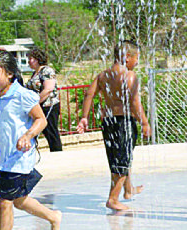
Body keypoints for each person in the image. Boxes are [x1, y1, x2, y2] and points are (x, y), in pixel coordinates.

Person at [0, 49, 62, 230]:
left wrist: (28, 135)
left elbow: (41, 120)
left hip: (19, 156)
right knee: (19, 201)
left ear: (9, 73)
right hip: (4, 157)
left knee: (4, 201)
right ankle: (53, 217)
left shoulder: (22, 95)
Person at [76, 40, 151, 211]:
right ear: (127, 57)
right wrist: (145, 123)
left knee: (119, 157)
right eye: (137, 57)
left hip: (108, 122)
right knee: (123, 160)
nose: (137, 62)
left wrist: (84, 117)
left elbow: (89, 95)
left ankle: (128, 189)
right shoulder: (130, 76)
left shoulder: (103, 75)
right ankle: (113, 199)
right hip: (124, 122)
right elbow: (134, 102)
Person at [26, 47, 63, 152]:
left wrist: (35, 103)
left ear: (37, 59)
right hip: (39, 107)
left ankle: (57, 153)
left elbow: (48, 89)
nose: (28, 61)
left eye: (30, 58)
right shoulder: (35, 73)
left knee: (51, 131)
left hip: (48, 106)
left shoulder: (46, 71)